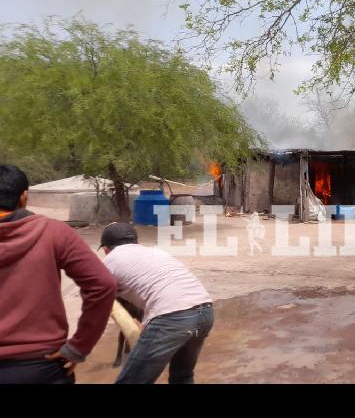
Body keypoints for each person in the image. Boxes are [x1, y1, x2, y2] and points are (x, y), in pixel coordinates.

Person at [0, 164, 117, 384]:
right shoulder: (53, 232)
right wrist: (78, 346)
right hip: (42, 366)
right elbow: (103, 285)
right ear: (24, 197)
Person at [99, 222, 214, 384]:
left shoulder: (108, 262)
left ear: (105, 249)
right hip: (205, 312)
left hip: (172, 317)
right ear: (136, 242)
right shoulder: (156, 252)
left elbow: (99, 304)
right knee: (182, 376)